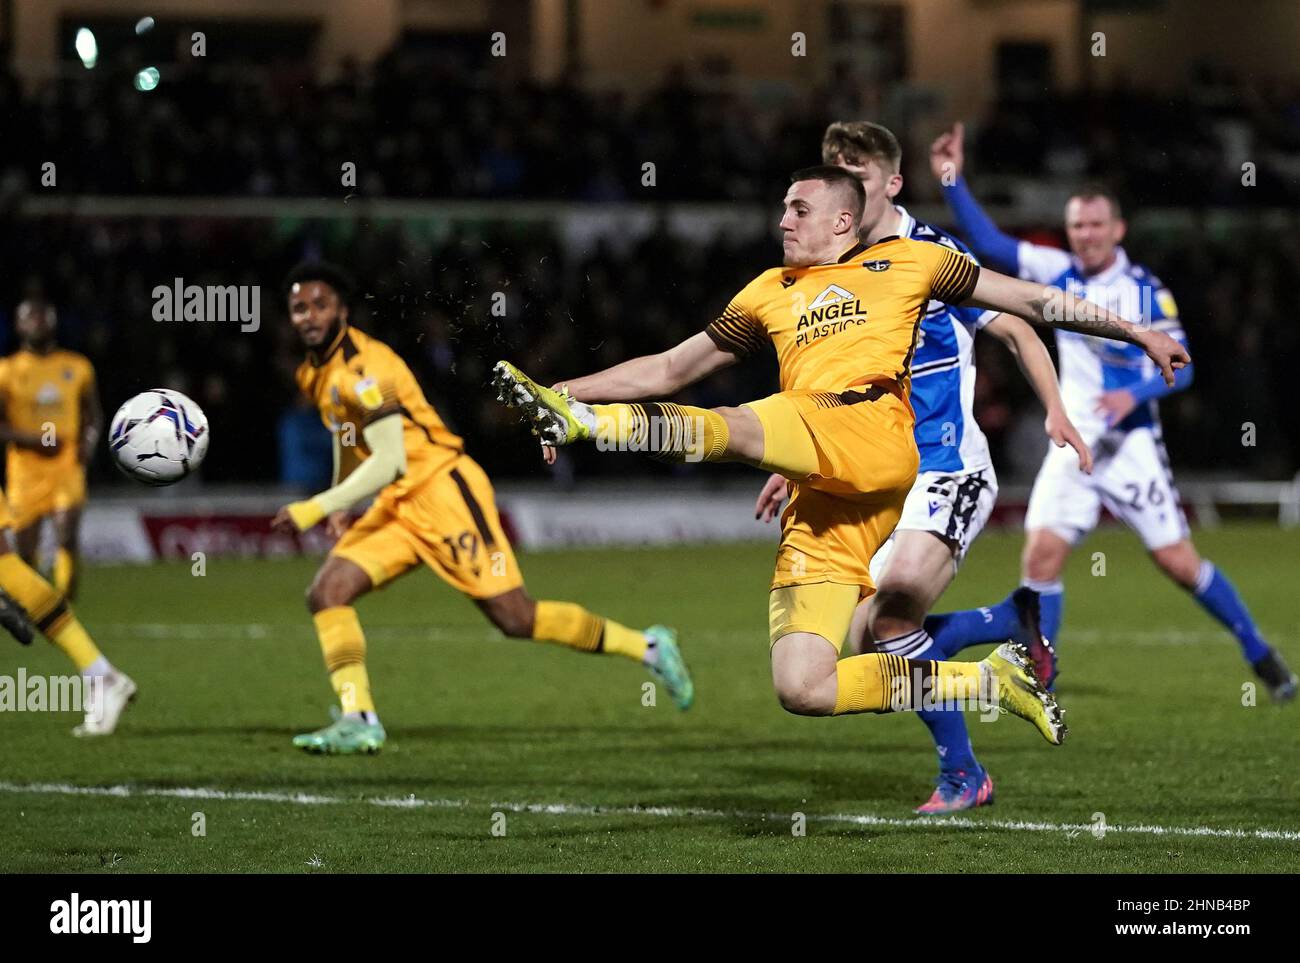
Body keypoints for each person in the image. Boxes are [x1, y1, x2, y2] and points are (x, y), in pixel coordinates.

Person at [492, 162, 1186, 746]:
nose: (784, 220)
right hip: (824, 492)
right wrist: (560, 386)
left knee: (738, 425)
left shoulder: (910, 262)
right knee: (804, 684)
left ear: (843, 222)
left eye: (800, 208)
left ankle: (588, 426)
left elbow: (1034, 300)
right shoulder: (769, 290)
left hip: (873, 432)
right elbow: (671, 369)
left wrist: (1139, 334)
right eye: (783, 208)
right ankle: (989, 679)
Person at [751, 121, 1091, 813]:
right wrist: (798, 460)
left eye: (861, 169)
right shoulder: (832, 269)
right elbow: (831, 382)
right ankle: (1014, 619)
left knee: (894, 617)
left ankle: (964, 773)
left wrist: (1055, 407)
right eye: (836, 170)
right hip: (879, 476)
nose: (848, 181)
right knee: (864, 641)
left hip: (949, 466)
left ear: (891, 181)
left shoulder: (931, 253)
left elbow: (1020, 322)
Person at [923, 122, 1295, 702]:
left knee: (1178, 562)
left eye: (1096, 225)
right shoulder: (1057, 272)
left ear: (1117, 229)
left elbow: (1185, 365)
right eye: (1077, 226)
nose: (1086, 235)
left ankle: (1258, 652)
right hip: (1074, 441)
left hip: (1131, 446)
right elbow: (992, 247)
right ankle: (1042, 673)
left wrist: (1133, 395)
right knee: (1041, 557)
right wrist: (951, 178)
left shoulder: (1145, 291)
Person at [271, 262, 694, 756]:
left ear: (341, 310)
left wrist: (317, 508)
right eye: (300, 307)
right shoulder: (313, 373)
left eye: (320, 304)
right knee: (328, 592)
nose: (309, 315)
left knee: (515, 618)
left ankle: (648, 646)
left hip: (443, 491)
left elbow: (389, 458)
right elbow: (349, 438)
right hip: (396, 505)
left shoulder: (369, 368)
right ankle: (358, 717)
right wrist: (345, 497)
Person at [0, 299, 102, 598]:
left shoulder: (77, 367)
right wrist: (35, 439)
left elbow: (93, 414)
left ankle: (64, 604)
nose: (38, 322)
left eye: (44, 316)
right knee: (25, 549)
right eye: (30, 317)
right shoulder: (8, 371)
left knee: (67, 534)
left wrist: (88, 444)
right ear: (18, 326)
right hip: (25, 467)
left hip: (66, 463)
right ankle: (35, 602)